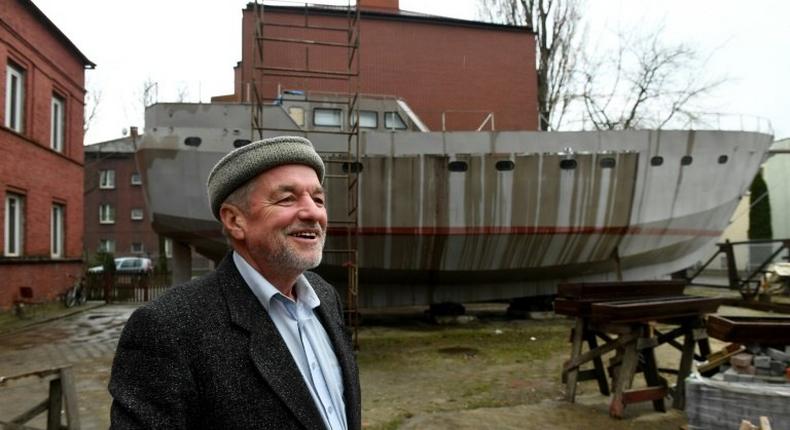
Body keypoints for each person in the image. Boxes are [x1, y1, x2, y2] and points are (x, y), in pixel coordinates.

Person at [109, 136, 361, 430]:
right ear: (235, 220)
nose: (313, 213)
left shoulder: (325, 297)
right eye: (287, 199)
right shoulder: (168, 329)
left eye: (318, 199)